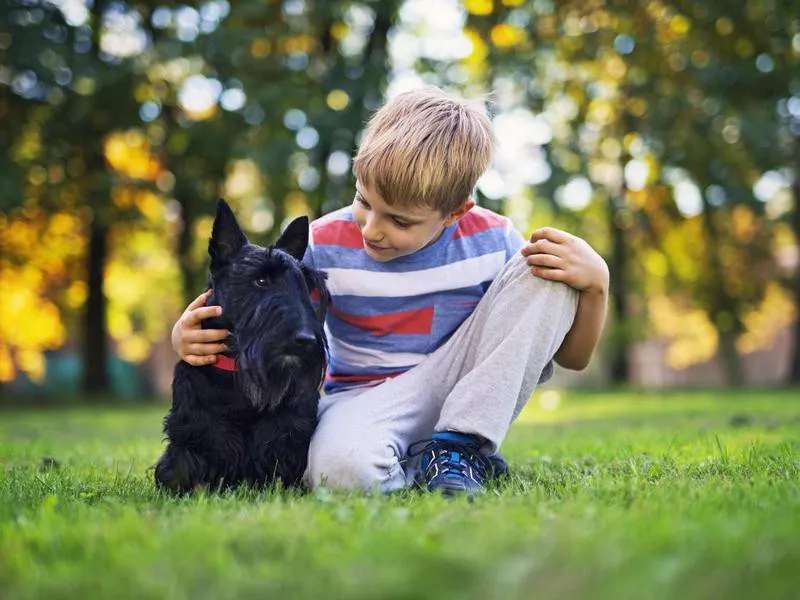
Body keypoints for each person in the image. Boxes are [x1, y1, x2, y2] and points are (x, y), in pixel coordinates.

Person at [171, 86, 609, 496]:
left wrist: (595, 286)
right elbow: (251, 296)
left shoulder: (495, 241)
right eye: (364, 201)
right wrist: (182, 336)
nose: (373, 230)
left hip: (466, 385)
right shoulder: (322, 245)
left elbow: (573, 358)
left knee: (546, 266)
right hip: (365, 401)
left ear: (455, 212)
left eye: (400, 221)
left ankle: (461, 445)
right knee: (338, 473)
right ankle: (441, 461)